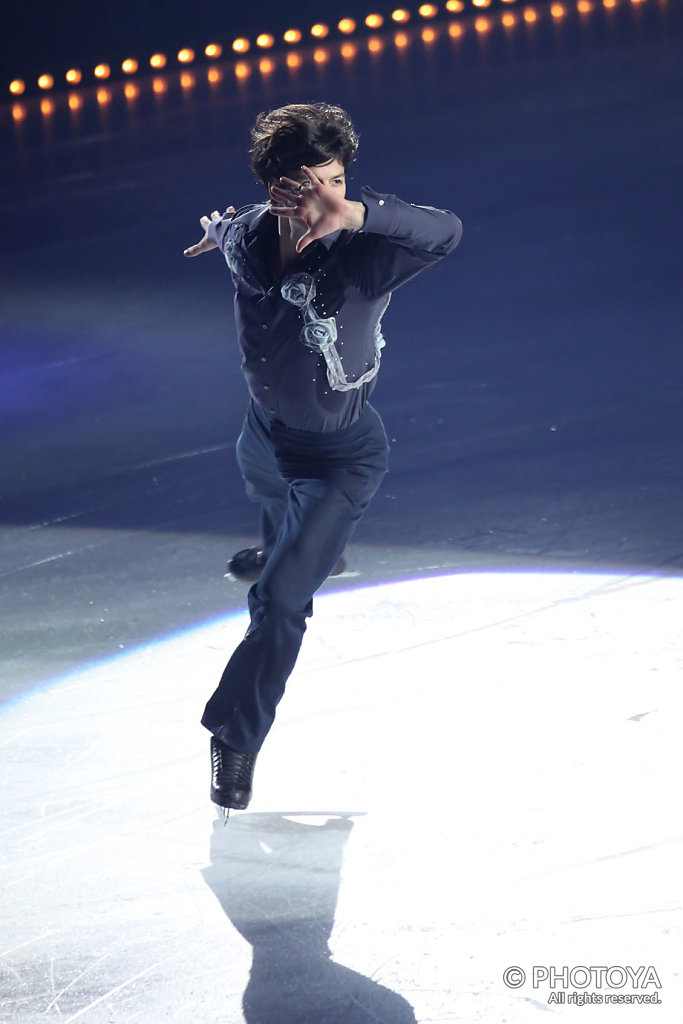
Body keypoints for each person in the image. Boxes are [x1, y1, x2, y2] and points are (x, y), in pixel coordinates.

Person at [184, 102, 462, 814]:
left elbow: (446, 231)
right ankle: (297, 545)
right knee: (260, 479)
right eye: (306, 186)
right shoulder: (250, 235)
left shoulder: (364, 253)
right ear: (274, 189)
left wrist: (359, 214)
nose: (323, 199)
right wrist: (217, 230)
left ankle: (236, 735)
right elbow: (233, 223)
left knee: (278, 601)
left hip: (339, 455)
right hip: (266, 431)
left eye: (335, 181)